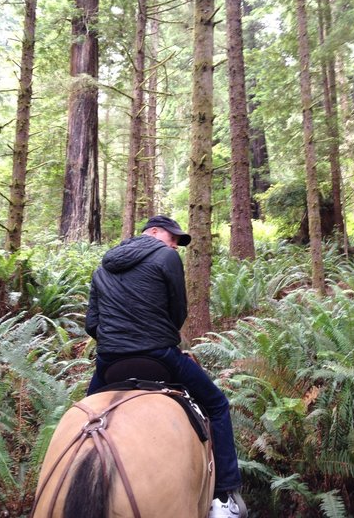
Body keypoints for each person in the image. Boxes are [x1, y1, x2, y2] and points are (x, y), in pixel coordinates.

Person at [85, 215, 248, 518]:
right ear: (154, 232)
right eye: (173, 238)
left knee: (83, 417)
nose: (175, 246)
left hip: (109, 362)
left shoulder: (102, 266)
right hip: (158, 356)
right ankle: (224, 496)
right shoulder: (165, 257)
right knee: (217, 405)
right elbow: (178, 312)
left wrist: (116, 341)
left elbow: (92, 324)